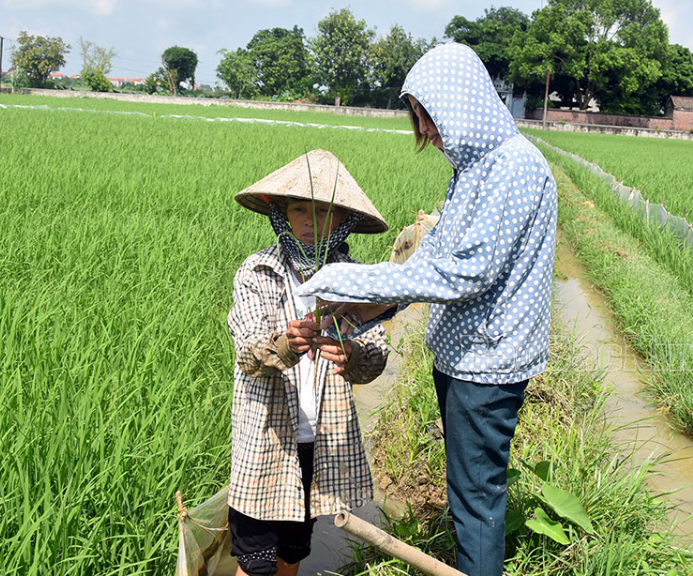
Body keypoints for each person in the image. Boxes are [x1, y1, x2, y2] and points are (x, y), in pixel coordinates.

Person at [296, 43, 558, 576]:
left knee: (476, 501)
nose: (428, 132)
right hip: (467, 356)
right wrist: (364, 308)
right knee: (468, 489)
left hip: (487, 365)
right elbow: (435, 258)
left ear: (462, 104)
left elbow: (466, 272)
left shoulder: (513, 169)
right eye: (418, 118)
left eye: (430, 116)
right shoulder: (475, 170)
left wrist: (356, 277)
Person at [226, 149, 391, 576]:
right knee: (255, 561)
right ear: (281, 214)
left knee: (293, 553)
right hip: (266, 440)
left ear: (341, 219)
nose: (309, 219)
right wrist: (285, 344)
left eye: (322, 211)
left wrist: (353, 355)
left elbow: (375, 354)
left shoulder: (356, 279)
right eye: (299, 208)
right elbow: (249, 351)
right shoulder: (258, 271)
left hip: (317, 440)